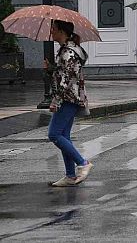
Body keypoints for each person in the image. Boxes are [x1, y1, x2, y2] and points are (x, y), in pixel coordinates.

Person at [45, 20, 93, 187]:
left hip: (68, 98)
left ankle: (83, 163)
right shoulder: (66, 51)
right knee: (63, 136)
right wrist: (52, 69)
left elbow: (67, 80)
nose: (51, 31)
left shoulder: (69, 52)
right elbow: (65, 73)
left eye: (53, 28)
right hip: (71, 97)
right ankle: (70, 175)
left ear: (61, 31)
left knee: (54, 134)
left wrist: (56, 100)